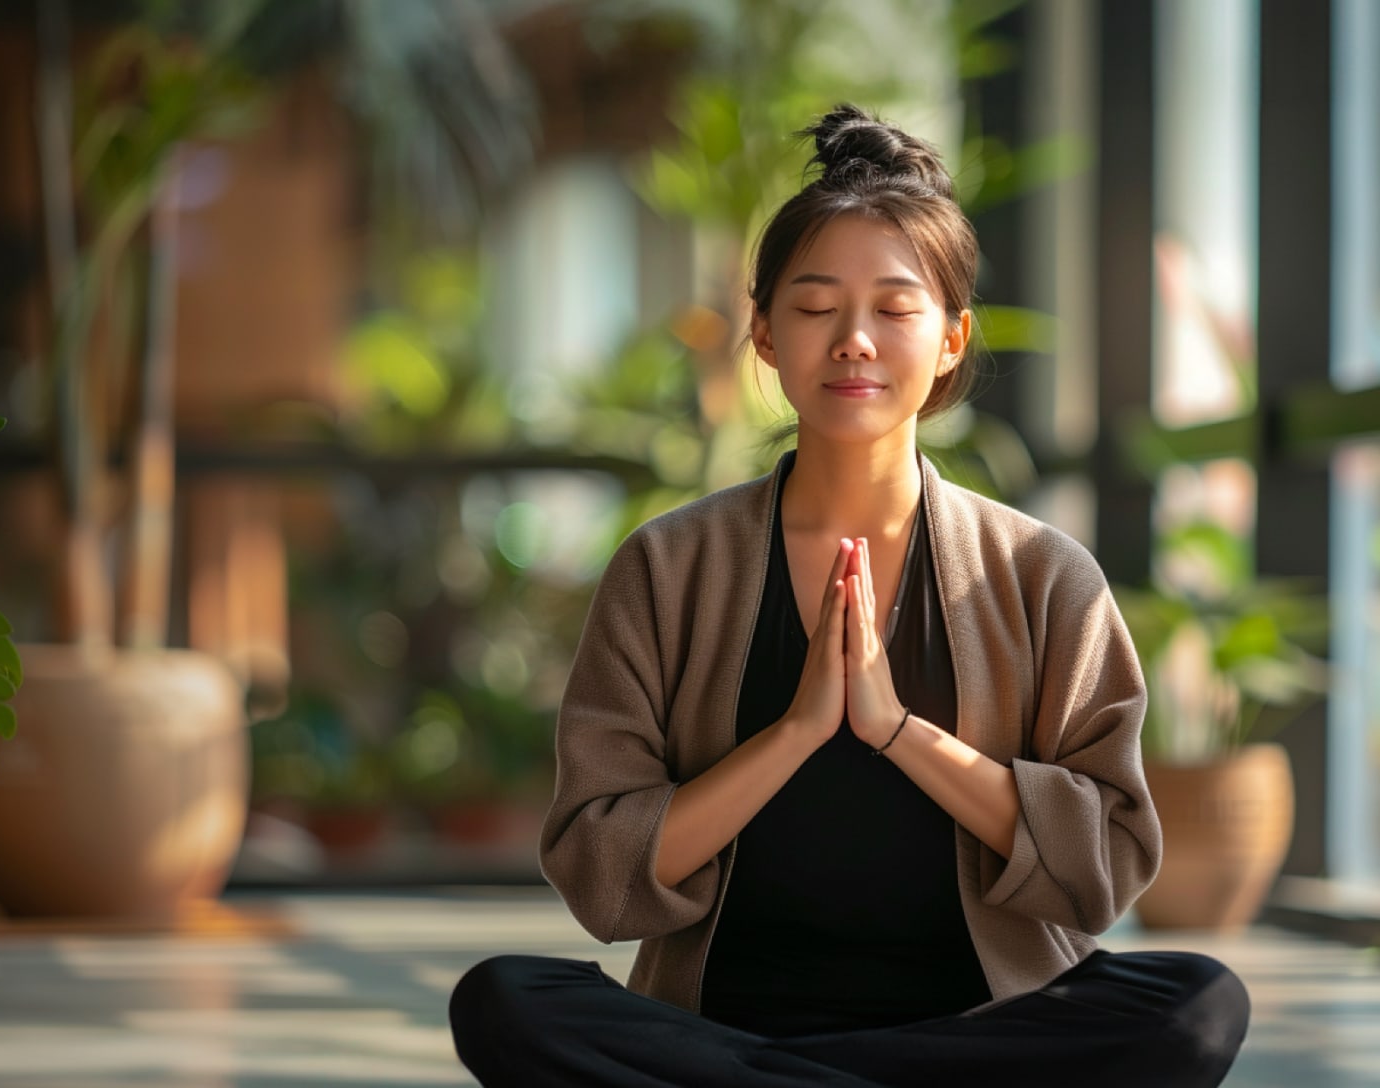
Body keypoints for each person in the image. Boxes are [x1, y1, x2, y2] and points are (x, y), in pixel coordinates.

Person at [448, 104, 1251, 1087]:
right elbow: (601, 876)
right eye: (817, 307)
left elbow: (1105, 868)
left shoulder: (1042, 574)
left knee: (1198, 1001)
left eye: (895, 309)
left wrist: (898, 728)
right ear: (764, 334)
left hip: (974, 1022)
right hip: (727, 1021)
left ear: (952, 338)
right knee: (504, 997)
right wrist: (791, 732)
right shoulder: (666, 566)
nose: (855, 341)